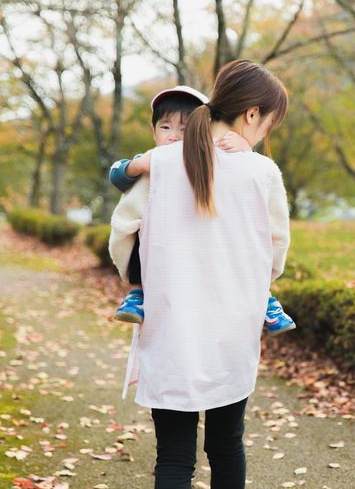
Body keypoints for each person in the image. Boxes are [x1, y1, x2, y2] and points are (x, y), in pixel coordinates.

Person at [121, 59, 290, 489]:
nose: (263, 133)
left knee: (174, 456)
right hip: (233, 330)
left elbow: (122, 233)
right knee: (226, 445)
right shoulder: (261, 172)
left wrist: (138, 281)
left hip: (171, 326)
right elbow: (276, 251)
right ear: (252, 115)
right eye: (267, 123)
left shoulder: (159, 162)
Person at [107, 85, 295, 335]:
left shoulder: (161, 164)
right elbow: (276, 239)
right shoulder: (150, 161)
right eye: (165, 127)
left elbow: (123, 227)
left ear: (198, 129)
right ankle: (264, 297)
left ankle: (141, 291)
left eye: (184, 129)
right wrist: (137, 166)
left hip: (168, 289)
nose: (173, 136)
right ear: (153, 130)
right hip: (231, 296)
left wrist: (126, 268)